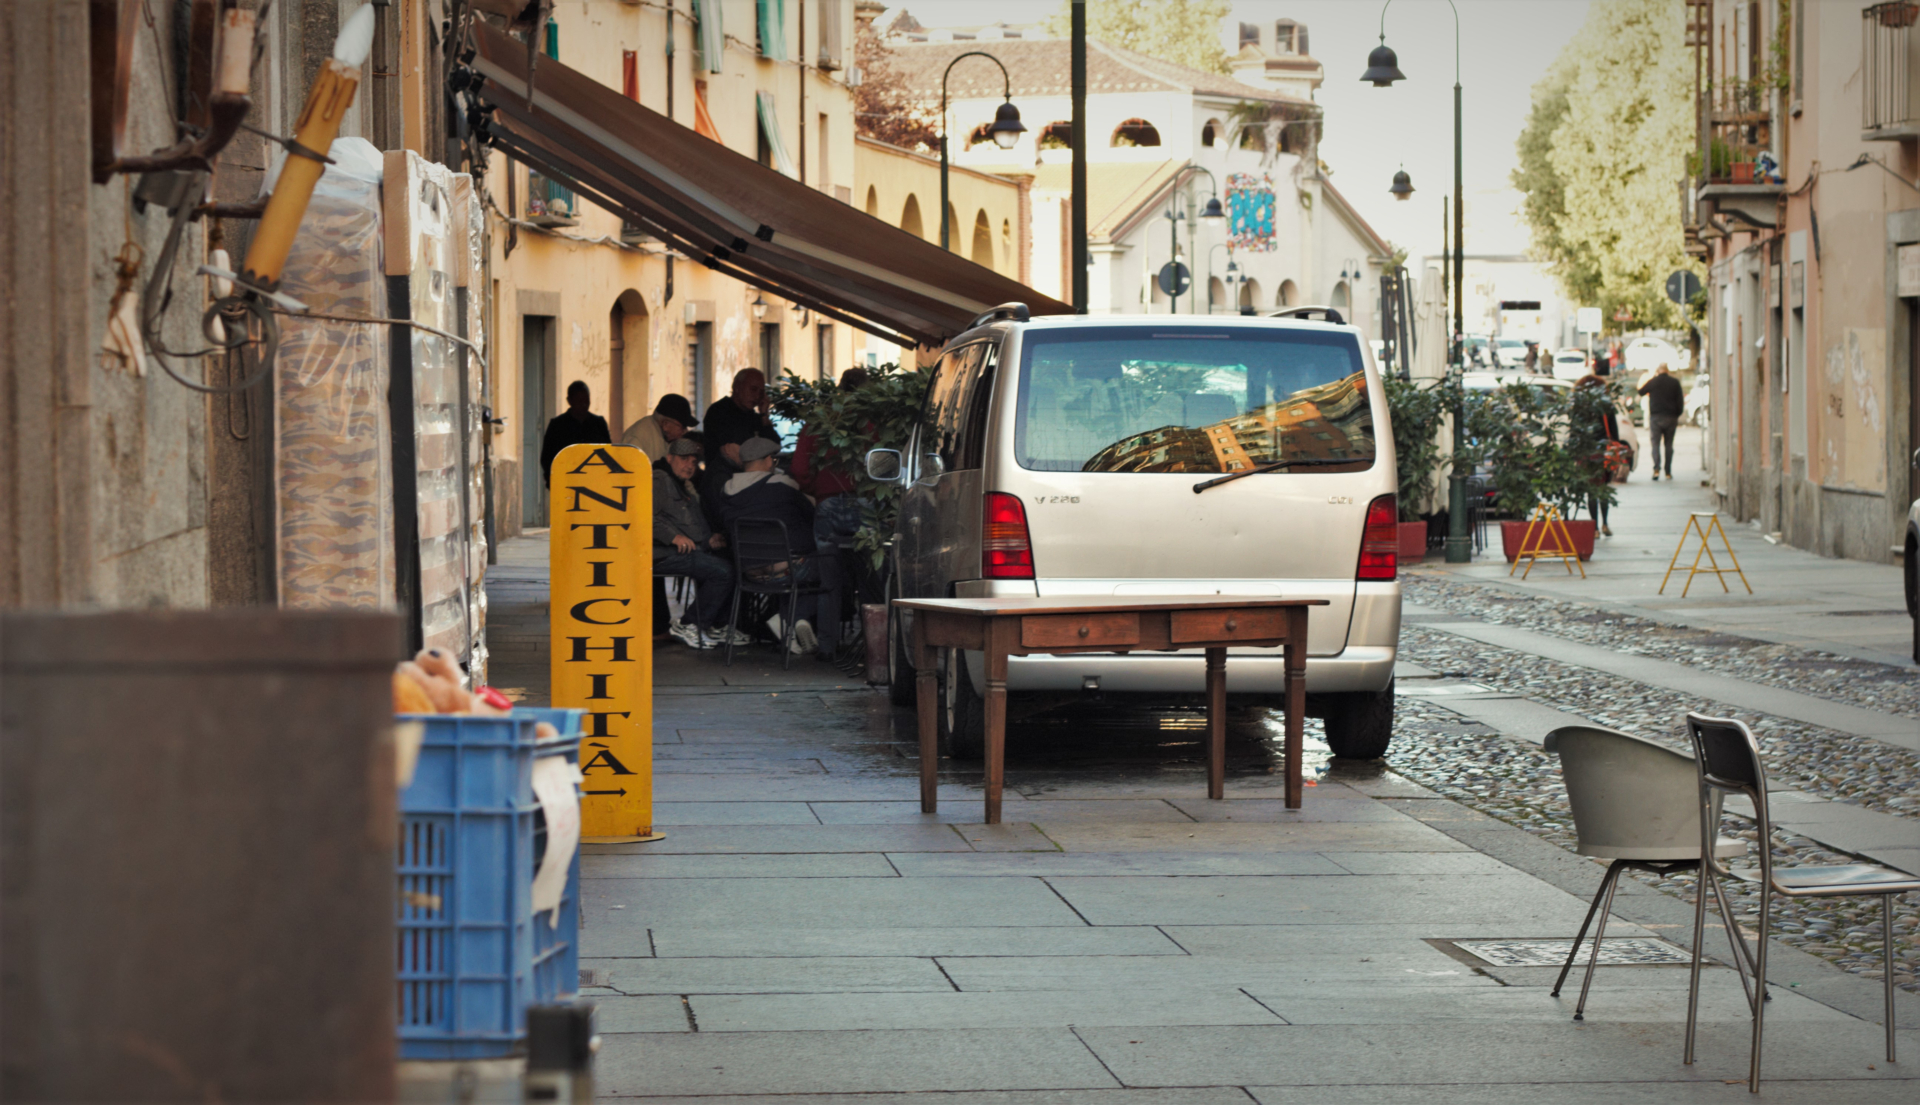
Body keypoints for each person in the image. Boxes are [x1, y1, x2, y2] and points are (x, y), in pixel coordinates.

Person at [716, 436, 845, 662]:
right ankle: (793, 618)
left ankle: (791, 620)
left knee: (804, 566)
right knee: (836, 568)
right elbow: (814, 514)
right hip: (790, 569)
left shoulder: (725, 492)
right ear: (768, 460)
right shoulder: (782, 486)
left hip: (748, 573)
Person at [653, 438, 747, 649]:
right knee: (722, 571)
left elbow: (689, 523)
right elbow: (645, 516)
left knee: (731, 562)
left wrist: (709, 538)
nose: (689, 465)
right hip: (663, 553)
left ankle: (716, 625)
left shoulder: (681, 484)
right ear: (670, 458)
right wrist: (673, 537)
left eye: (694, 462)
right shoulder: (659, 479)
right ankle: (690, 624)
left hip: (682, 550)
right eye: (684, 459)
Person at [791, 368, 869, 553]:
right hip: (866, 502)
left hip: (828, 502)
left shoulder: (820, 421)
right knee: (871, 562)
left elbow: (799, 469)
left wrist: (817, 490)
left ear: (840, 388)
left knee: (828, 563)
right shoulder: (872, 421)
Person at [1575, 374, 1622, 536]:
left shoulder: (1579, 405)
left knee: (1591, 491)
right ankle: (1605, 524)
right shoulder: (1606, 405)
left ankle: (1594, 528)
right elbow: (1614, 431)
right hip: (1604, 452)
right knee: (1603, 489)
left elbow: (1574, 432)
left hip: (1587, 453)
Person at [538, 380, 612, 484]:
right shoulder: (557, 425)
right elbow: (547, 458)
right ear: (569, 401)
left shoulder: (599, 424)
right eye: (579, 400)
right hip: (565, 482)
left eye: (586, 400)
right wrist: (554, 481)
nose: (584, 404)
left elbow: (607, 453)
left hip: (594, 481)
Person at [1637, 362, 1684, 480]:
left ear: (1658, 371)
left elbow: (1641, 391)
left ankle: (1656, 470)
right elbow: (1680, 402)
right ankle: (1668, 472)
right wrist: (1676, 414)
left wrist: (1653, 378)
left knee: (1655, 444)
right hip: (1671, 417)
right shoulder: (1675, 382)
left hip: (1656, 417)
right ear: (1667, 371)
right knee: (1669, 445)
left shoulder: (1654, 381)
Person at [622, 393, 696, 462]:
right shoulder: (638, 437)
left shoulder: (664, 435)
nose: (685, 432)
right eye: (682, 427)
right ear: (666, 424)